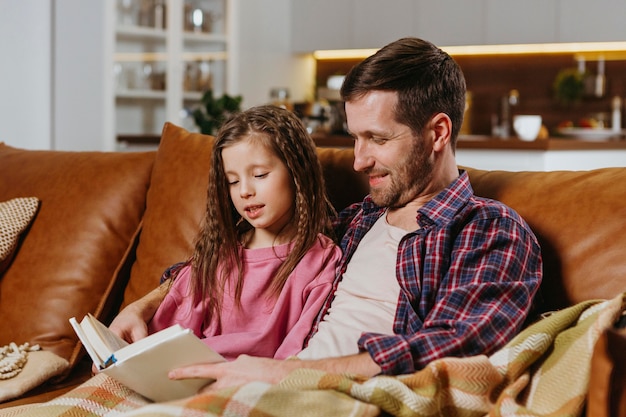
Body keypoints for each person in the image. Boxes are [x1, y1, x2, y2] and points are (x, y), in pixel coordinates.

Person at [116, 37, 543, 390]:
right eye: (355, 138)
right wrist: (144, 306)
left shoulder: (489, 230)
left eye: (376, 138)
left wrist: (284, 372)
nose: (359, 161)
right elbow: (239, 259)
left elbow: (457, 346)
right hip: (275, 380)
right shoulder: (358, 221)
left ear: (438, 133)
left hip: (328, 392)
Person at [110, 105, 342, 361]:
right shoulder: (219, 255)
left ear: (297, 172)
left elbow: (301, 350)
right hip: (191, 375)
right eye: (232, 181)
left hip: (257, 382)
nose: (244, 191)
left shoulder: (321, 260)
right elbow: (167, 333)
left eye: (260, 174)